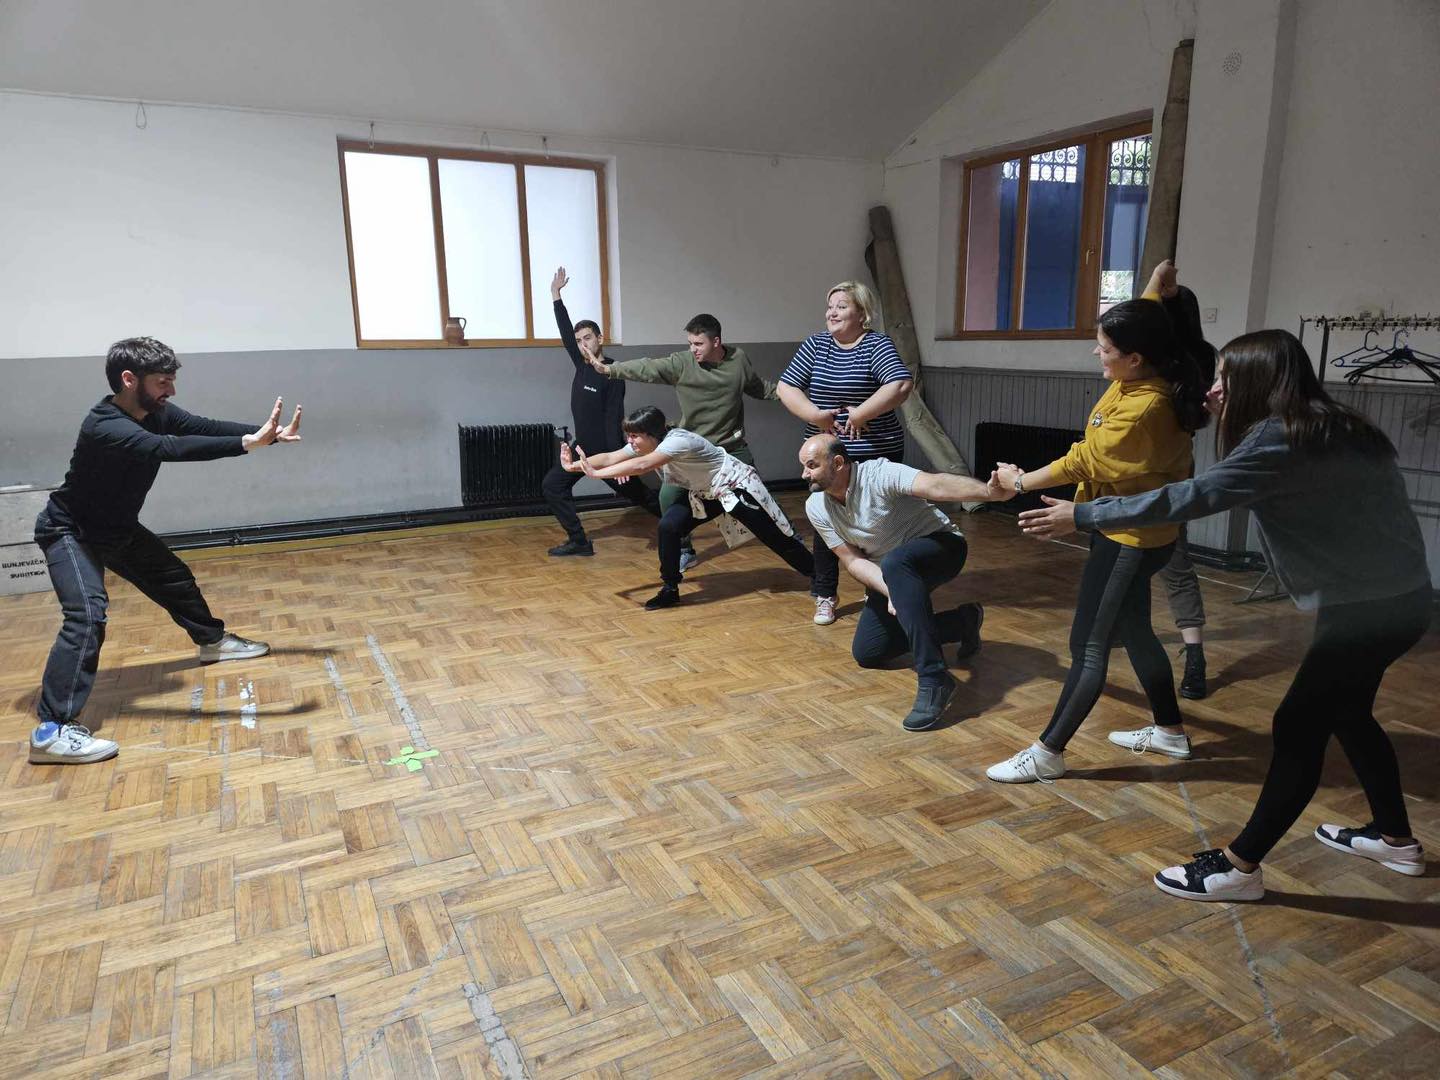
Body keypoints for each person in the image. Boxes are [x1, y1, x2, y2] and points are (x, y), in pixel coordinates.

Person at [1019, 329, 1431, 901]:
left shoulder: (1280, 437)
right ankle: (1395, 840)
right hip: (1397, 600)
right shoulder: (1335, 423)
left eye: (1225, 380)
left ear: (1260, 383)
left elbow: (1192, 496)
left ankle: (1239, 868)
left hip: (1370, 609)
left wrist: (1085, 514)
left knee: (1297, 726)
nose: (1213, 391)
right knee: (1350, 714)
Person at [30, 337, 303, 765]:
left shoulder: (155, 412)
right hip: (71, 532)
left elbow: (200, 426)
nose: (170, 391)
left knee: (173, 578)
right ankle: (53, 731)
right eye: (162, 382)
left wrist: (264, 434)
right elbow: (168, 448)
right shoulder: (105, 425)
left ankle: (212, 642)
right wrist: (248, 444)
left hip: (117, 528)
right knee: (86, 616)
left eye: (171, 381)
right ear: (129, 379)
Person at [985, 298, 1208, 784]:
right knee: (1136, 630)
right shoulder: (1138, 379)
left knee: (1087, 645)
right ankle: (1170, 731)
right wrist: (1157, 287)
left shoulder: (1146, 407)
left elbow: (1083, 461)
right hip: (1134, 531)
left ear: (1136, 357)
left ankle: (1048, 752)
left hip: (1128, 538)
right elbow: (1147, 317)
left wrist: (1019, 483)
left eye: (1105, 348)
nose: (1096, 353)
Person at [800, 434, 1008, 731]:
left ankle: (934, 678)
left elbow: (935, 485)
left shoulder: (878, 474)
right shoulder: (816, 506)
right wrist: (891, 592)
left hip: (941, 547)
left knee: (896, 562)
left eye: (811, 466)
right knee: (870, 652)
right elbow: (853, 561)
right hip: (891, 571)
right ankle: (962, 623)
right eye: (804, 466)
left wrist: (988, 492)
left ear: (838, 463)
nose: (804, 474)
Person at [560, 406, 813, 610]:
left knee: (773, 536)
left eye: (634, 436)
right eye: (629, 436)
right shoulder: (645, 443)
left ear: (651, 434)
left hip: (735, 486)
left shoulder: (678, 441)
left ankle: (820, 576)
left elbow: (642, 466)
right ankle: (670, 589)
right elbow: (610, 457)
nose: (630, 441)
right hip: (705, 492)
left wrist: (596, 474)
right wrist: (576, 467)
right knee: (669, 526)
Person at [582, 313, 775, 573]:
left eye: (698, 344)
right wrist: (609, 369)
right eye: (690, 343)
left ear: (716, 341)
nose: (693, 349)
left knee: (759, 497)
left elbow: (759, 387)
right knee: (667, 498)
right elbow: (648, 368)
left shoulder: (738, 360)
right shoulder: (682, 363)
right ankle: (685, 550)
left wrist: (795, 394)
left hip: (731, 447)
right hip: (692, 450)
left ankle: (788, 537)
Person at [777, 282, 913, 627]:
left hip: (874, 451)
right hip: (826, 456)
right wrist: (815, 416)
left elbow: (899, 384)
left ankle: (880, 588)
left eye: (841, 306)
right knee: (826, 523)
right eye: (830, 306)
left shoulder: (876, 344)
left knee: (878, 522)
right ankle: (825, 593)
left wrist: (861, 414)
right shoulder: (816, 344)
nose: (832, 312)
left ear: (862, 313)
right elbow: (786, 386)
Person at [541, 267, 661, 556]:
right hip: (582, 448)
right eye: (579, 340)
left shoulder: (612, 372)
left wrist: (618, 460)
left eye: (588, 338)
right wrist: (556, 295)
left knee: (642, 496)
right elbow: (565, 333)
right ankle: (579, 541)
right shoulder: (581, 365)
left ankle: (681, 528)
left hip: (607, 451)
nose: (583, 344)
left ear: (600, 338)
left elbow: (613, 418)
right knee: (553, 485)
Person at [1145, 261, 1218, 699]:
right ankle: (1195, 656)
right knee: (1176, 562)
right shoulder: (1203, 359)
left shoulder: (1154, 367)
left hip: (1145, 471)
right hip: (1177, 467)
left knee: (1134, 556)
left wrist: (1158, 281)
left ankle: (1190, 658)